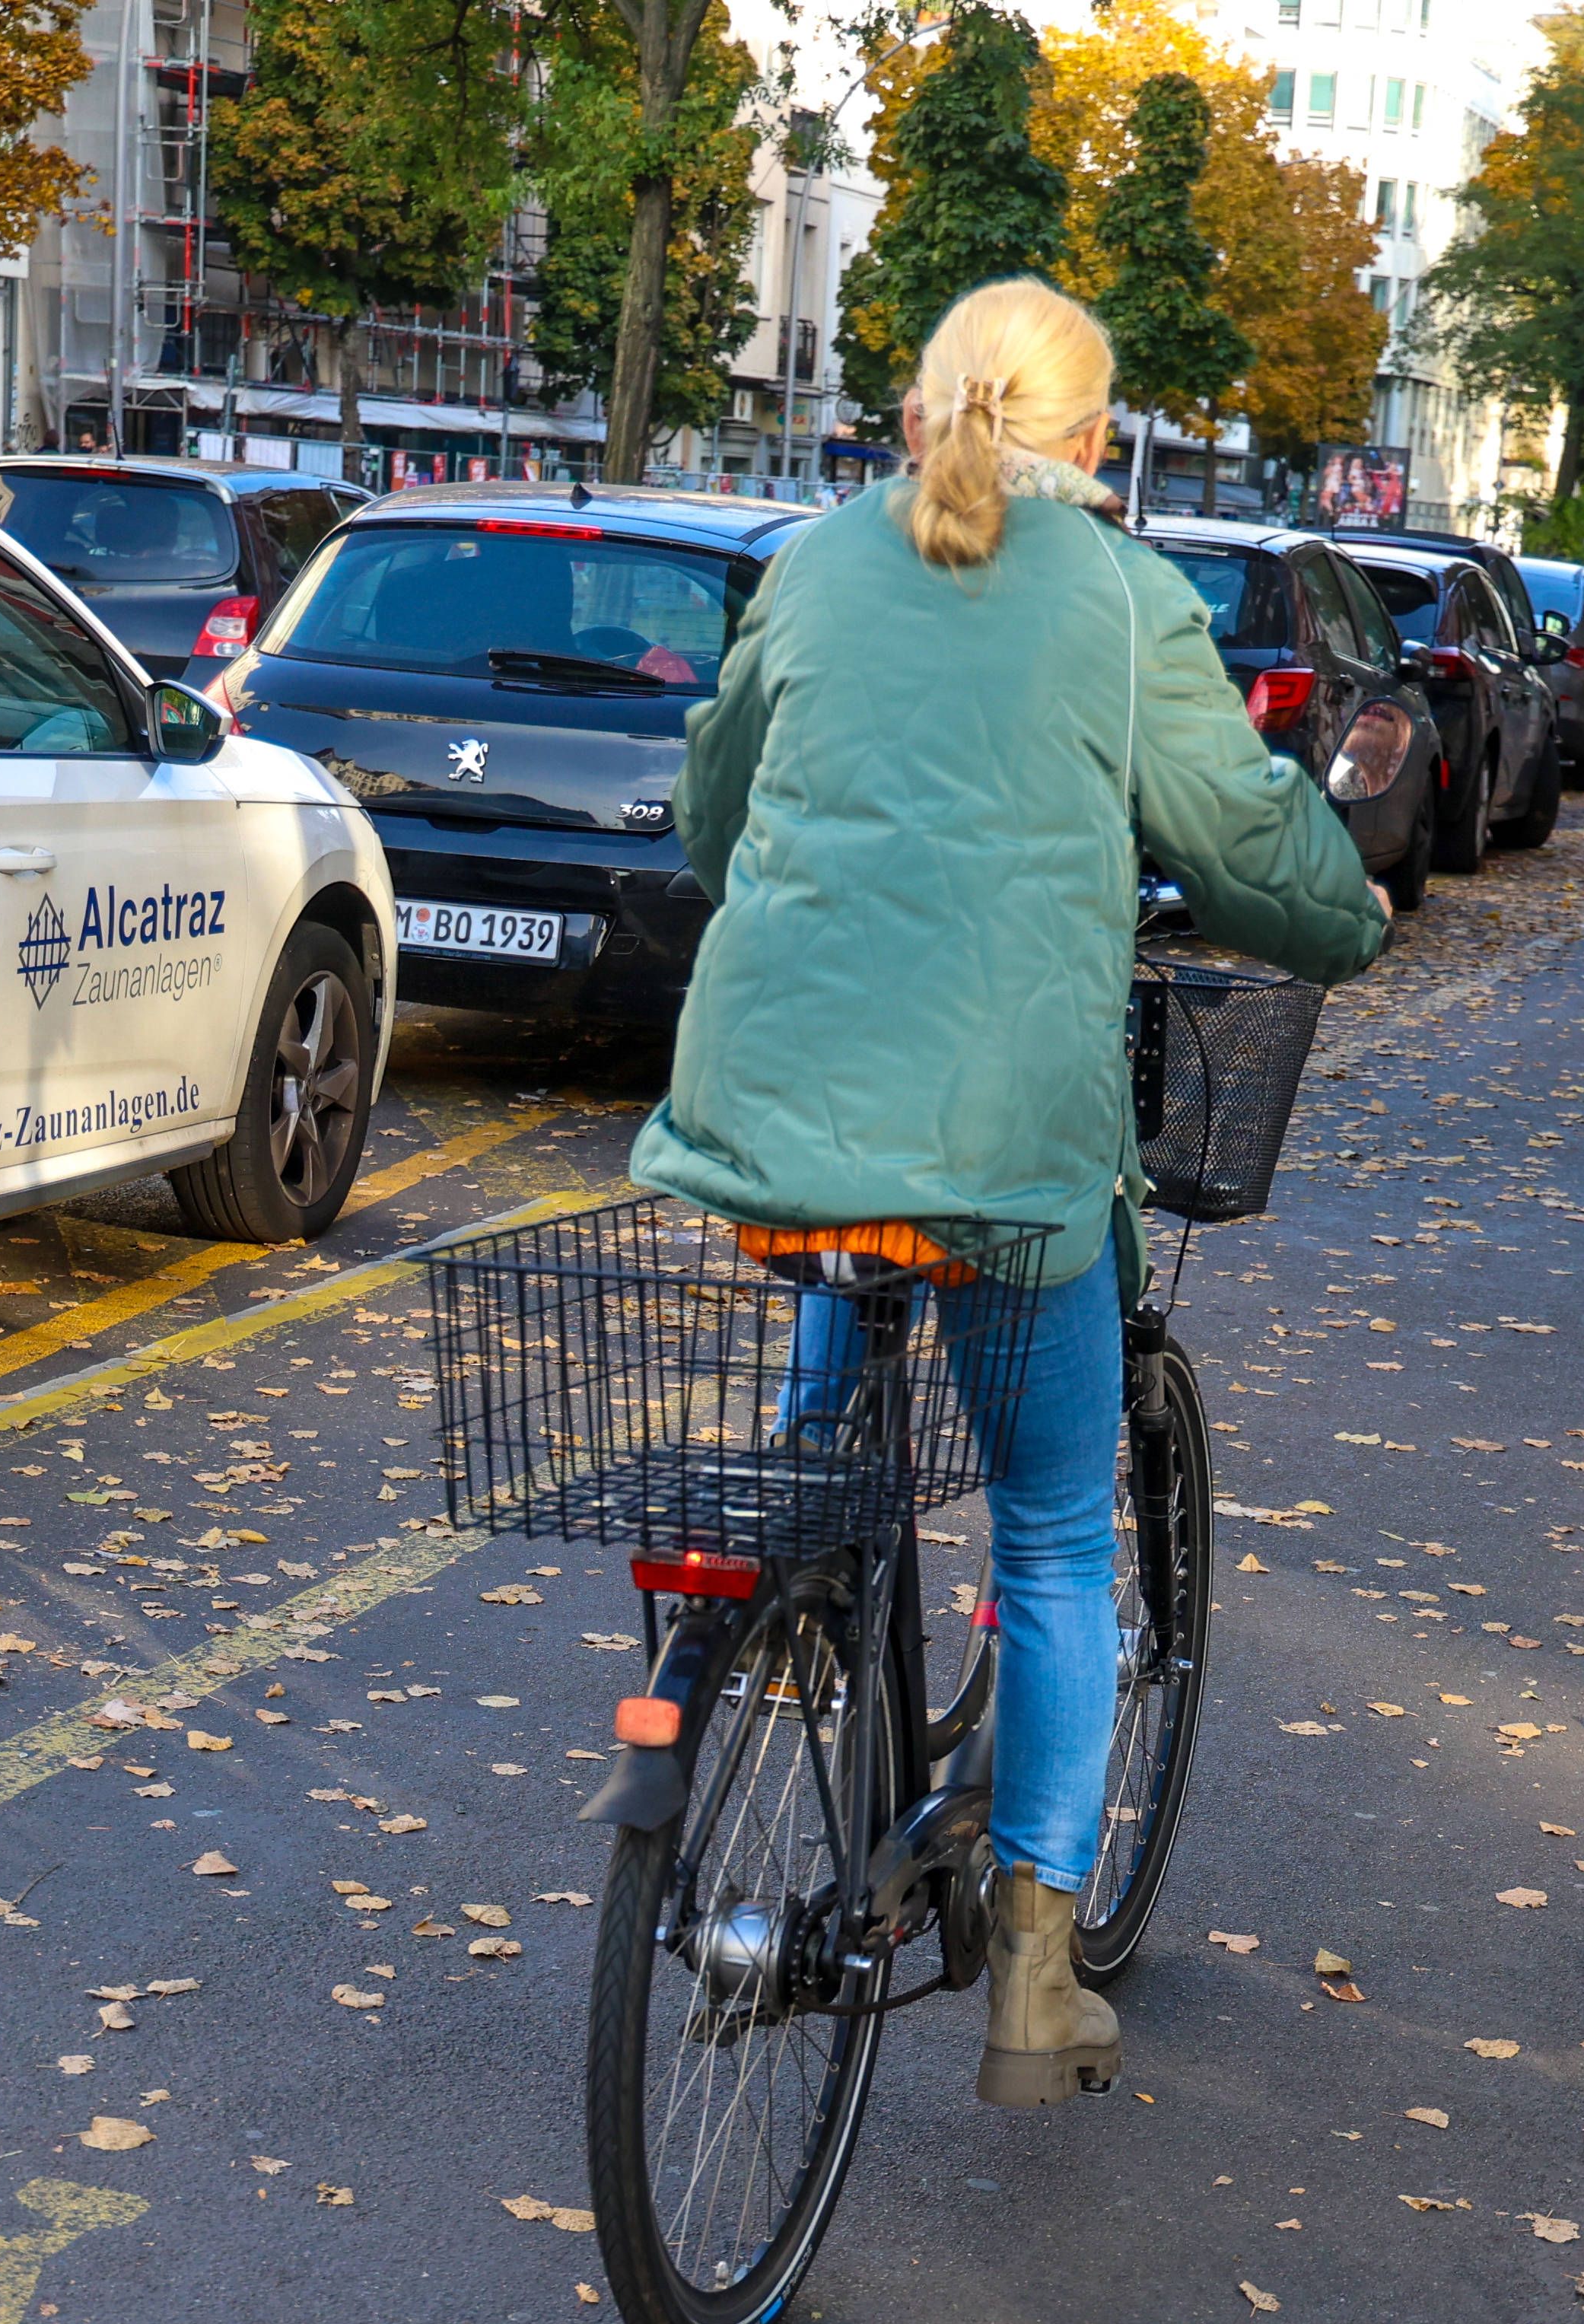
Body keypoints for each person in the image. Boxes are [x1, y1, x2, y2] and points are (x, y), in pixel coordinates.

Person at [628, 277, 1388, 2108]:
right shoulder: (1127, 598)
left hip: (777, 1115)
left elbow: (714, 815)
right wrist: (1342, 917)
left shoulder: (812, 559)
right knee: (1051, 1536)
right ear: (1094, 441)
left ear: (917, 409)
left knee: (838, 1426)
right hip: (1004, 1154)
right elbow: (1237, 832)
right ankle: (1037, 1983)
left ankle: (802, 1614)